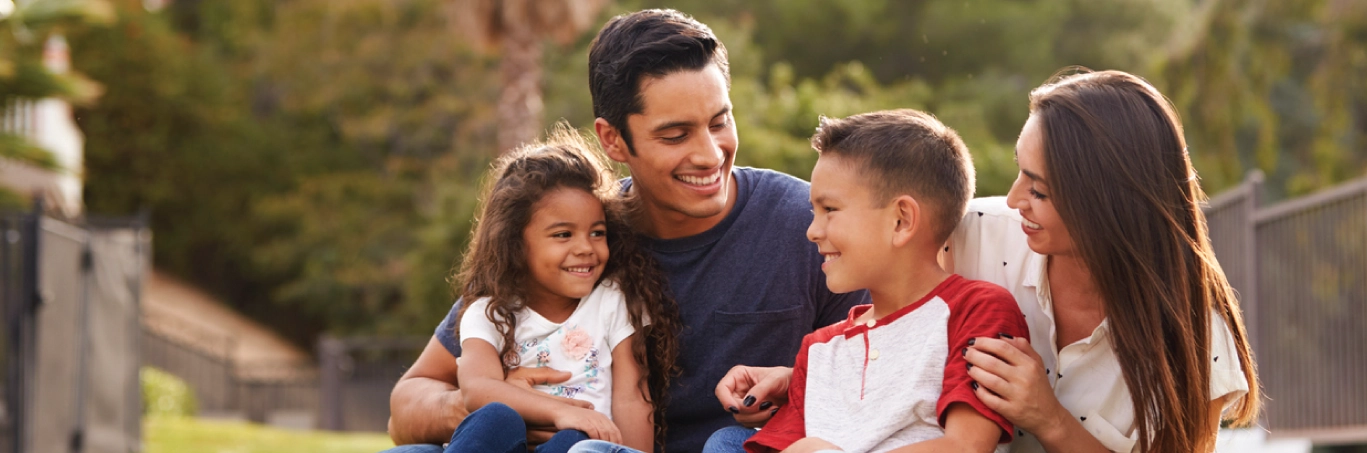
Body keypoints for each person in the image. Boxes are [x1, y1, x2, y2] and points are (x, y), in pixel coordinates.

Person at [385, 9, 866, 453]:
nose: (709, 154)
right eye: (675, 135)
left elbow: (883, 381)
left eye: (720, 122)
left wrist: (797, 387)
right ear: (613, 139)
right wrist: (497, 404)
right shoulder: (574, 235)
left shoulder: (806, 224)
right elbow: (408, 403)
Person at [715, 69, 1261, 453]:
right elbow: (899, 320)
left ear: (1105, 204)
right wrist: (812, 380)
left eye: (1039, 189)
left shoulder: (1195, 333)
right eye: (1020, 172)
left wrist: (1049, 419)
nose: (1015, 198)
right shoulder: (975, 231)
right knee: (729, 442)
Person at [726, 109, 1027, 453]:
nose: (812, 231)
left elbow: (967, 447)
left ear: (901, 220)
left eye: (829, 209)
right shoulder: (819, 347)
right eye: (813, 212)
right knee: (724, 442)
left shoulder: (976, 309)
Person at [437, 124, 679, 453]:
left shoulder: (612, 300)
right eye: (563, 235)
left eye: (597, 232)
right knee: (495, 417)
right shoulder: (490, 312)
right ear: (515, 244)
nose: (586, 248)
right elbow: (477, 387)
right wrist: (559, 411)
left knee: (577, 440)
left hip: (578, 447)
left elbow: (632, 398)